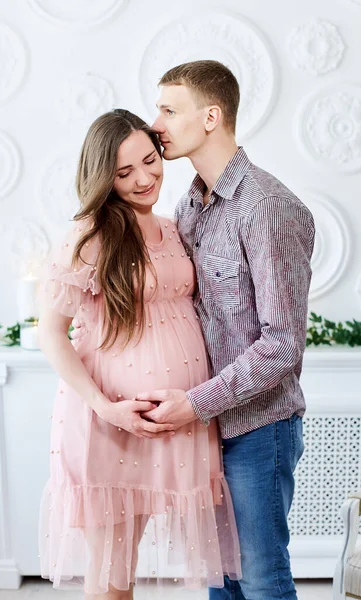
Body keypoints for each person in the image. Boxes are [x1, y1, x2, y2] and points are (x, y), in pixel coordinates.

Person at [37, 109, 241, 600]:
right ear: (102, 177)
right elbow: (51, 334)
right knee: (112, 579)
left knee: (126, 570)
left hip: (170, 420)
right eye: (125, 172)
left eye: (150, 161)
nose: (144, 178)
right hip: (111, 423)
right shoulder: (90, 237)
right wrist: (106, 408)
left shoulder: (173, 229)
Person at [137, 60, 315, 600]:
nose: (157, 122)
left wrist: (196, 402)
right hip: (206, 424)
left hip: (259, 428)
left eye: (169, 109)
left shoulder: (268, 207)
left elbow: (282, 346)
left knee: (262, 580)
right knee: (221, 579)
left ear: (211, 116)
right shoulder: (190, 203)